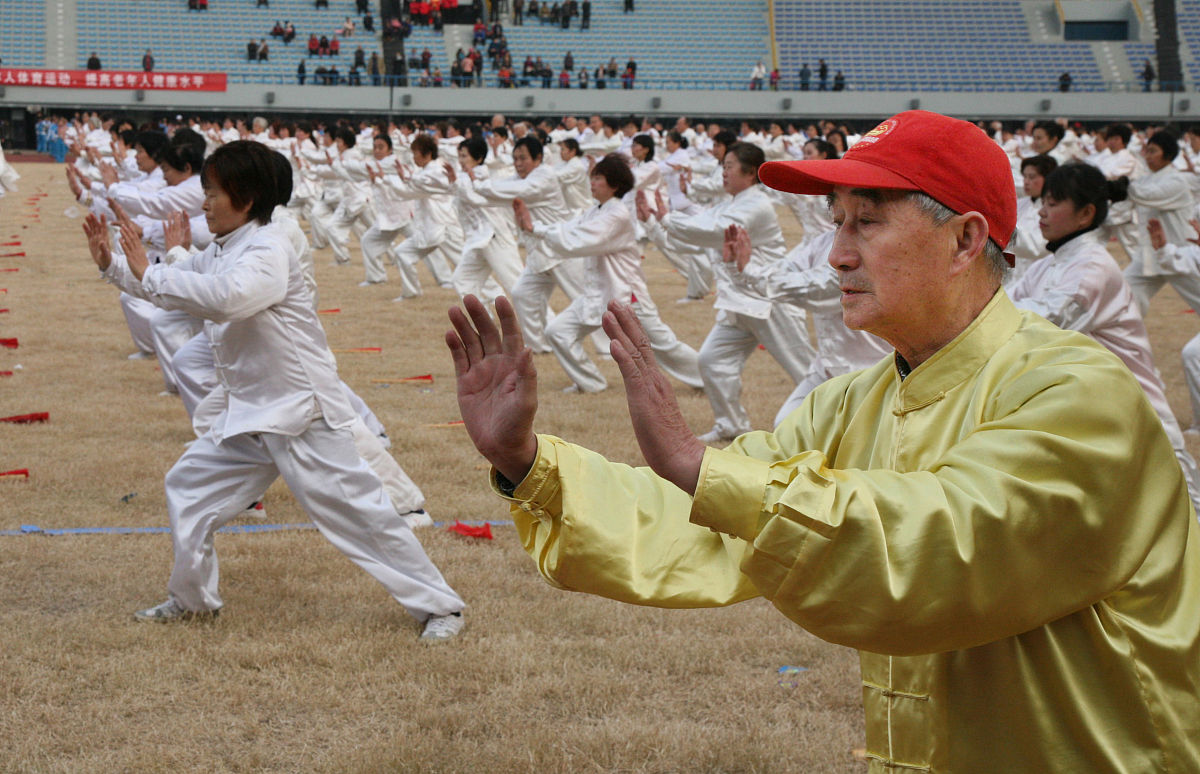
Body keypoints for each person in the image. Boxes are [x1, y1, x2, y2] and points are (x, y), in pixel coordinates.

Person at [445, 110, 1200, 771]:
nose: (839, 252)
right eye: (837, 221)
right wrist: (527, 463)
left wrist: (699, 464)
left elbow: (950, 544)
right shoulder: (857, 402)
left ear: (967, 240)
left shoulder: (1077, 390)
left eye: (865, 222)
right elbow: (710, 517)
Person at [86, 141, 466, 641]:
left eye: (213, 192)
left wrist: (146, 271)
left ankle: (441, 608)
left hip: (298, 411)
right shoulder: (225, 249)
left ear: (246, 198)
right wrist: (113, 265)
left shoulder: (269, 248)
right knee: (188, 487)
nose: (203, 203)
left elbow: (229, 300)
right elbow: (177, 282)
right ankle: (193, 599)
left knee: (359, 516)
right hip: (248, 411)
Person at [1007, 161, 1200, 514]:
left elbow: (1037, 321)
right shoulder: (1049, 264)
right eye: (1044, 202)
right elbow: (1008, 303)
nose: (1043, 212)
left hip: (1138, 410)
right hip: (1094, 410)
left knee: (1182, 512)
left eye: (1053, 204)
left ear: (1086, 214)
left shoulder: (1092, 267)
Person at [516, 154, 701, 394]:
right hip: (597, 293)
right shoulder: (595, 210)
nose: (592, 183)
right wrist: (536, 229)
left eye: (598, 179)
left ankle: (707, 378)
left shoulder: (617, 215)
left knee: (663, 345)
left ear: (614, 184)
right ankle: (591, 383)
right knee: (558, 332)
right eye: (592, 178)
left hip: (626, 296)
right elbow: (569, 229)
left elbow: (579, 241)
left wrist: (535, 228)